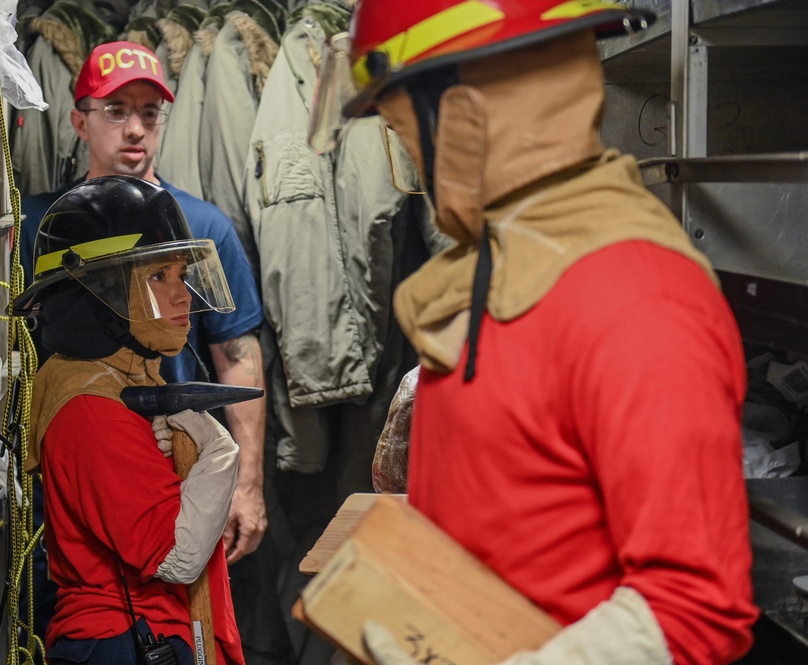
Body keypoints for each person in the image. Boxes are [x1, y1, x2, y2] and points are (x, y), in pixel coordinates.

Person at [310, 2, 759, 664]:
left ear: (464, 123)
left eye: (408, 142)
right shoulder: (501, 272)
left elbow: (696, 611)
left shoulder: (638, 303)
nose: (415, 174)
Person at [17, 40, 270, 656]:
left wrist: (246, 482)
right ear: (79, 121)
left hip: (164, 482)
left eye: (150, 113)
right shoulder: (41, 227)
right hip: (117, 519)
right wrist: (217, 452)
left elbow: (235, 352)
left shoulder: (202, 223)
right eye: (116, 110)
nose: (135, 128)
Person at [13, 175, 245, 665]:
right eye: (159, 276)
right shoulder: (91, 408)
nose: (182, 296)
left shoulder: (121, 382)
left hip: (140, 636)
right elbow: (175, 556)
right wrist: (221, 454)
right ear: (99, 294)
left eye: (181, 275)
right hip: (124, 643)